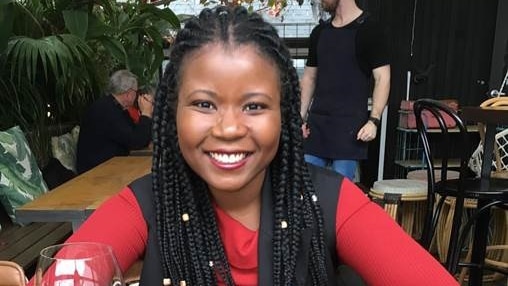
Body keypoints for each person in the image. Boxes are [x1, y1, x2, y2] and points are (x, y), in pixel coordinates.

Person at [44, 6, 458, 285]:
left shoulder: (330, 202)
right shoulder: (146, 204)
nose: (228, 128)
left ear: (285, 114)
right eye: (204, 103)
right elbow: (64, 276)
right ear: (172, 113)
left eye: (255, 105)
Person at [300, 0, 391, 180]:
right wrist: (300, 118)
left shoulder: (370, 30)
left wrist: (374, 120)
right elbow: (309, 78)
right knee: (306, 190)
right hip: (317, 127)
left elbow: (383, 78)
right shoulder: (319, 33)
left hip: (350, 130)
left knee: (340, 195)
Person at [76, 70, 153, 174]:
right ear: (128, 94)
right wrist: (145, 114)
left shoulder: (115, 107)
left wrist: (147, 114)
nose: (137, 96)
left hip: (111, 166)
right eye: (136, 92)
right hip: (96, 172)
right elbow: (136, 142)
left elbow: (138, 136)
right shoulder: (106, 110)